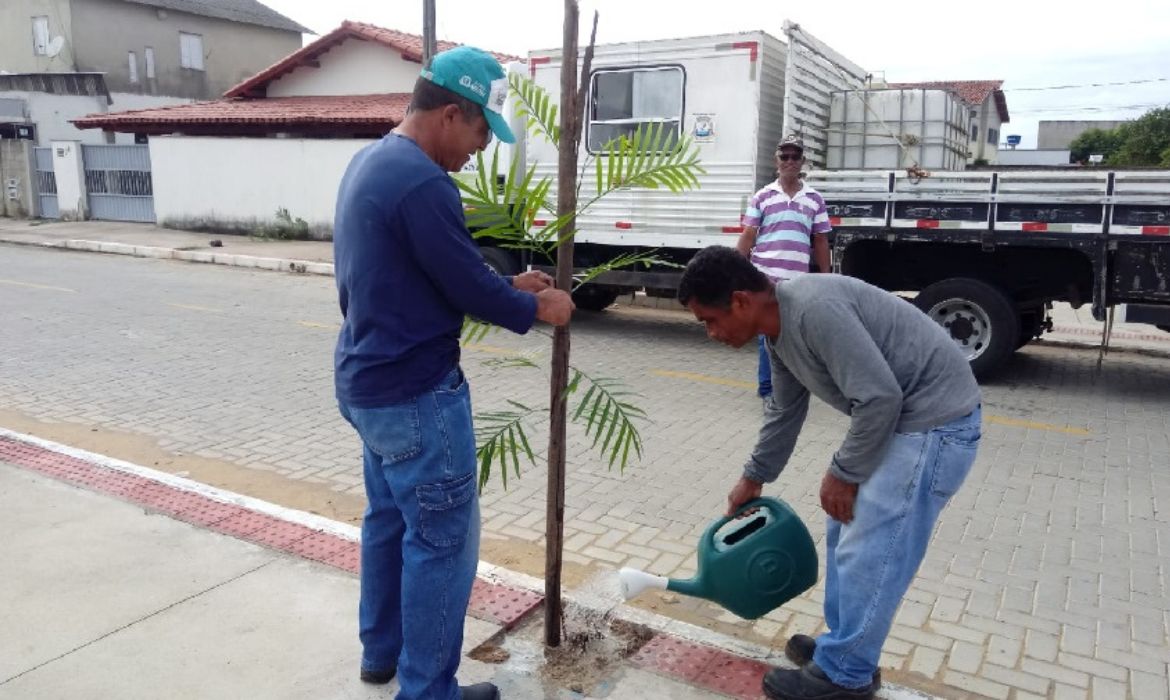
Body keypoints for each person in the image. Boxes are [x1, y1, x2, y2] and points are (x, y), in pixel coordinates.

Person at [332, 46, 574, 700]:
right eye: (477, 133)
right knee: (441, 546)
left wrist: (503, 281)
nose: (480, 150)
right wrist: (536, 304)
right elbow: (469, 291)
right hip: (415, 397)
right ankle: (427, 692)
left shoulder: (372, 162)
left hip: (367, 383)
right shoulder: (423, 181)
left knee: (388, 522)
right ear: (447, 114)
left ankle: (380, 656)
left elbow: (430, 271)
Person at [678, 246, 981, 700]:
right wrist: (753, 477)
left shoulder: (813, 310)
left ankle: (846, 676)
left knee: (872, 552)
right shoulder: (776, 331)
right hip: (907, 423)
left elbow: (879, 398)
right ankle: (844, 651)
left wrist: (843, 472)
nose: (711, 333)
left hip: (935, 425)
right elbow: (783, 411)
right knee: (847, 535)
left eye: (710, 320)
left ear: (741, 300)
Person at [736, 136, 832, 402]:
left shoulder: (814, 199)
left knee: (793, 335)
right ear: (776, 161)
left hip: (797, 283)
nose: (790, 161)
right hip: (764, 278)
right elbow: (748, 235)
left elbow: (821, 241)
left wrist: (826, 278)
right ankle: (768, 391)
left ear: (802, 162)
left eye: (795, 157)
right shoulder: (763, 196)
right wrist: (734, 268)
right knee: (767, 334)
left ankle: (789, 388)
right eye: (784, 156)